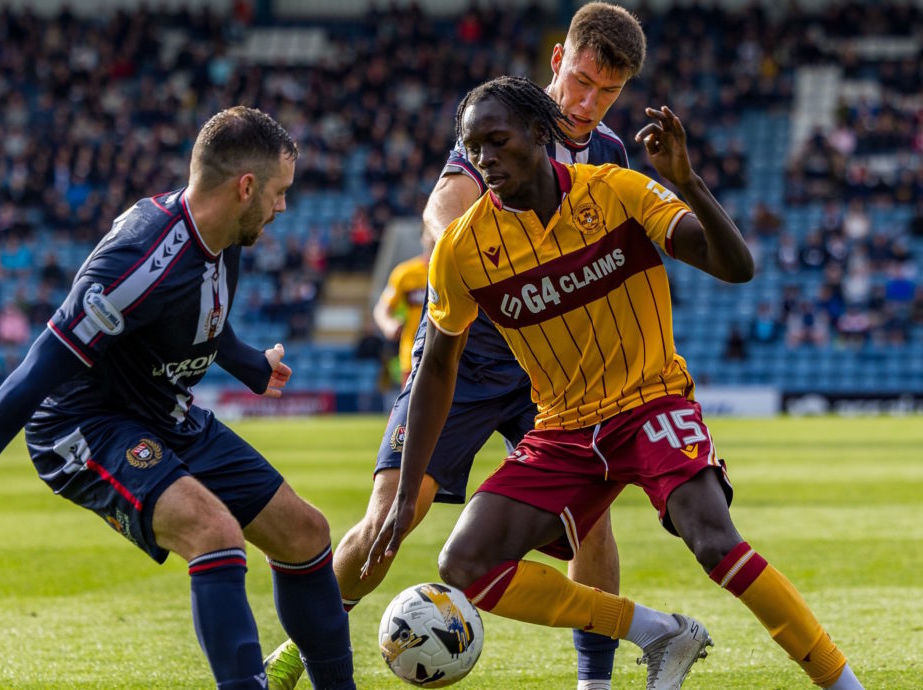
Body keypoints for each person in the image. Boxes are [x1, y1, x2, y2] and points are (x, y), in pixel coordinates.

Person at [366, 75, 865, 690]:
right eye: (474, 148)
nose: (485, 159)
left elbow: (736, 267)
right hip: (564, 429)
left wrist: (687, 182)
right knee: (465, 564)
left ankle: (842, 683)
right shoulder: (461, 248)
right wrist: (407, 488)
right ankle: (657, 631)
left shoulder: (615, 191)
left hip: (650, 401)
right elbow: (438, 368)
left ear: (540, 132)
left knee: (713, 541)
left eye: (497, 141)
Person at [0, 106, 357, 690]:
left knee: (305, 532)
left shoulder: (226, 232)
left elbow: (202, 318)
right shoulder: (137, 264)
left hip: (164, 410)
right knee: (213, 532)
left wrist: (250, 365)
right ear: (246, 188)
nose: (283, 206)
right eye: (280, 192)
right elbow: (34, 374)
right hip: (84, 425)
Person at [265, 5, 645, 689]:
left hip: (552, 371)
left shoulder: (612, 153)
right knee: (393, 515)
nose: (588, 103)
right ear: (558, 60)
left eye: (608, 92)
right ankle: (294, 655)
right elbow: (443, 207)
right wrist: (481, 264)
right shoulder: (510, 124)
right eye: (582, 81)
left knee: (591, 525)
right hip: (465, 357)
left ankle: (596, 683)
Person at [371, 228, 433, 385]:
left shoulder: (457, 270)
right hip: (413, 354)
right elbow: (382, 309)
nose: (434, 235)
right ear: (422, 237)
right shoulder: (405, 273)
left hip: (452, 355)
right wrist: (388, 324)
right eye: (429, 230)